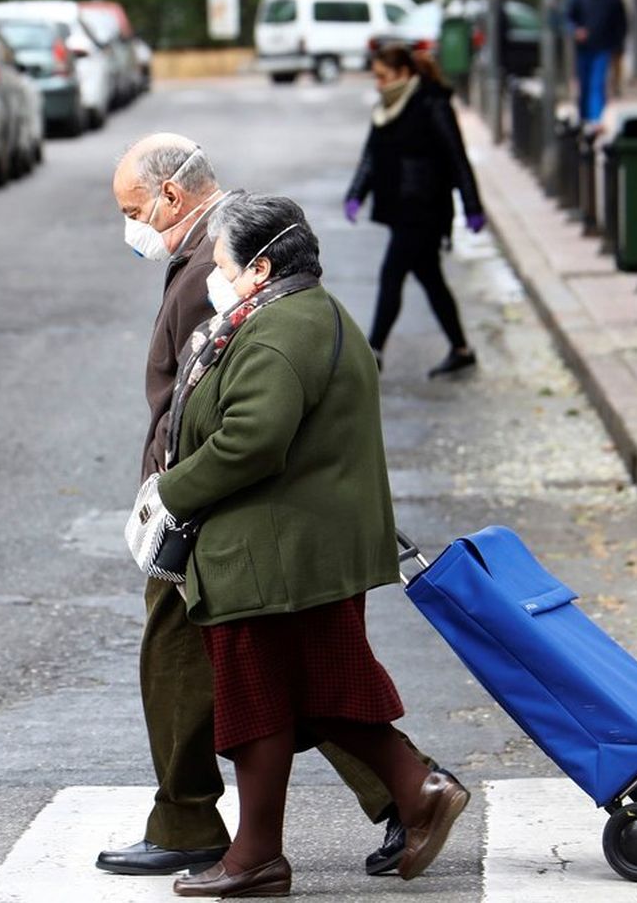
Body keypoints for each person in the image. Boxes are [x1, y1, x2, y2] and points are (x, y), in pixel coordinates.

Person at [102, 134, 437, 881]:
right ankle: (396, 795)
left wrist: (170, 490)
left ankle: (381, 799)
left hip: (245, 528)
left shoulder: (242, 289)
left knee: (267, 682)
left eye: (133, 210)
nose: (131, 227)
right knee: (293, 681)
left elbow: (242, 426)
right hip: (254, 525)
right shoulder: (242, 273)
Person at [344, 45, 485, 377]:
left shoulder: (432, 104)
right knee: (431, 279)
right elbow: (371, 155)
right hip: (400, 207)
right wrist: (356, 193)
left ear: (404, 73)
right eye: (376, 77)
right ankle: (461, 349)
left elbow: (456, 158)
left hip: (425, 208)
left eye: (383, 76)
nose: (378, 84)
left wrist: (472, 205)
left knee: (391, 274)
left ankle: (374, 351)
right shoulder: (386, 107)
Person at [563, 0, 629, 127]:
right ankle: (584, 117)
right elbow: (568, 19)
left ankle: (595, 120)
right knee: (585, 85)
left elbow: (621, 22)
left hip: (603, 48)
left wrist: (618, 46)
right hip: (584, 49)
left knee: (597, 85)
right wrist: (576, 31)